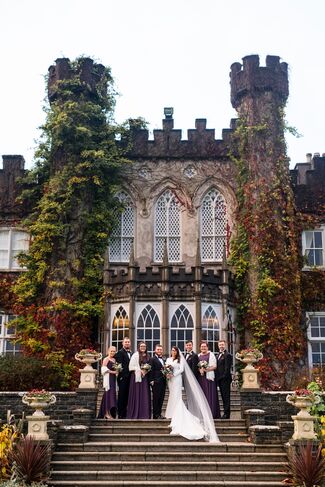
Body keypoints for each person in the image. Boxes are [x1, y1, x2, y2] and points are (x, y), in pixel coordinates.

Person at [165, 346, 219, 442]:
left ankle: (178, 413)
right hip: (170, 380)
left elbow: (181, 369)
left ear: (177, 352)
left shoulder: (180, 359)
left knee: (177, 396)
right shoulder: (168, 359)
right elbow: (166, 367)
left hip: (177, 379)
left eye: (175, 350)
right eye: (172, 350)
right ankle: (171, 412)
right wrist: (167, 373)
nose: (173, 352)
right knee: (171, 396)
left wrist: (174, 374)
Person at [126, 341, 151, 419]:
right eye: (141, 346)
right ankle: (135, 413)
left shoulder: (148, 356)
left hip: (145, 378)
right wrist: (139, 371)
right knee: (137, 394)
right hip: (136, 378)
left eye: (144, 346)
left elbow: (149, 366)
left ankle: (144, 414)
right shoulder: (135, 355)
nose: (143, 348)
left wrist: (145, 371)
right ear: (139, 347)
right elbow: (130, 367)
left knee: (144, 395)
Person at [197, 341, 220, 419]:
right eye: (202, 346)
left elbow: (214, 366)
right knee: (202, 394)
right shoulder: (198, 355)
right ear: (200, 347)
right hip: (201, 378)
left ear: (207, 347)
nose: (203, 348)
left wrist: (206, 370)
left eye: (205, 346)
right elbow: (197, 366)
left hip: (209, 378)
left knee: (209, 394)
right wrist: (200, 370)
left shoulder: (211, 355)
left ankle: (211, 412)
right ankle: (202, 413)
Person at [98, 346, 118, 419]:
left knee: (112, 395)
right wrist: (112, 372)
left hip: (113, 379)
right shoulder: (106, 359)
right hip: (108, 379)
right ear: (108, 351)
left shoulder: (114, 360)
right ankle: (106, 413)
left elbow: (116, 368)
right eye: (111, 351)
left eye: (114, 351)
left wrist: (117, 372)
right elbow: (103, 369)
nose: (112, 352)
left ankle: (110, 412)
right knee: (108, 395)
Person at [115, 337, 132, 419]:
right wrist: (121, 377)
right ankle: (121, 414)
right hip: (123, 378)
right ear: (122, 343)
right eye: (126, 342)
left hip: (130, 378)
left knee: (127, 396)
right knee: (122, 396)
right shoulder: (120, 353)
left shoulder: (131, 353)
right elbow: (119, 366)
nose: (127, 343)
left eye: (128, 342)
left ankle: (125, 413)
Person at [216, 339, 232, 419]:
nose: (221, 346)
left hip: (225, 380)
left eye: (222, 344)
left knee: (226, 397)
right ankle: (225, 413)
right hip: (220, 379)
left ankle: (227, 414)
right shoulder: (218, 355)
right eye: (220, 345)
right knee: (222, 396)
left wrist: (222, 377)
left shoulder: (227, 355)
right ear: (218, 345)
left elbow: (227, 368)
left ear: (225, 345)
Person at [149, 344, 166, 419]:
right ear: (155, 350)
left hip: (163, 381)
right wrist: (151, 380)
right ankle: (155, 414)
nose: (159, 351)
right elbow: (151, 370)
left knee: (161, 398)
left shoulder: (164, 359)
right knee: (156, 398)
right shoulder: (152, 359)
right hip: (156, 381)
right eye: (158, 349)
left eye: (160, 349)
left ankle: (159, 413)